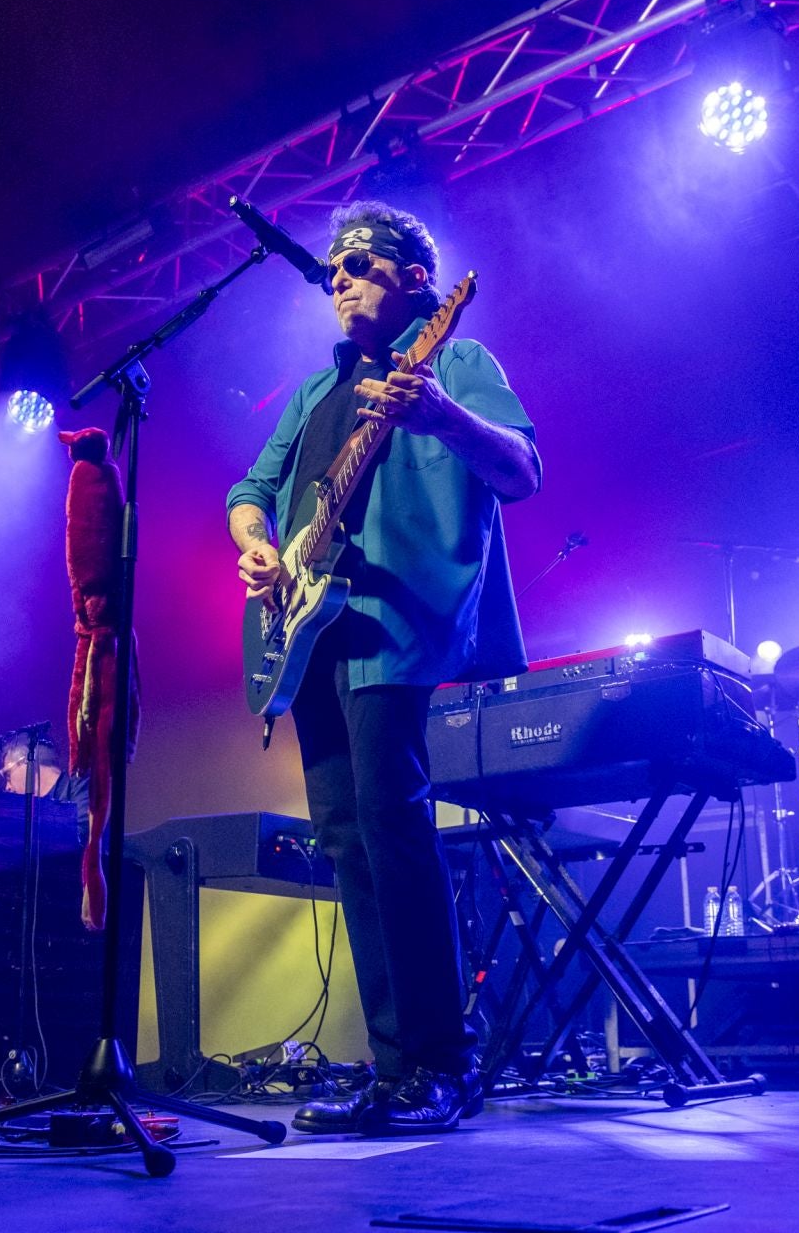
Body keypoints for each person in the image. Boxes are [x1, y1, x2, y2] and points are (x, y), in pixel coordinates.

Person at [225, 201, 540, 1135]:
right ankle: (396, 1066)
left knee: (393, 830)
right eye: (331, 270)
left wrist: (439, 413)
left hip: (398, 625)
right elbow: (250, 492)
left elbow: (523, 470)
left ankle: (444, 1062)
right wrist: (257, 545)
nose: (339, 279)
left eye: (360, 263)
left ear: (413, 278)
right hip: (312, 631)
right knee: (348, 842)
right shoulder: (315, 396)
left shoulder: (454, 360)